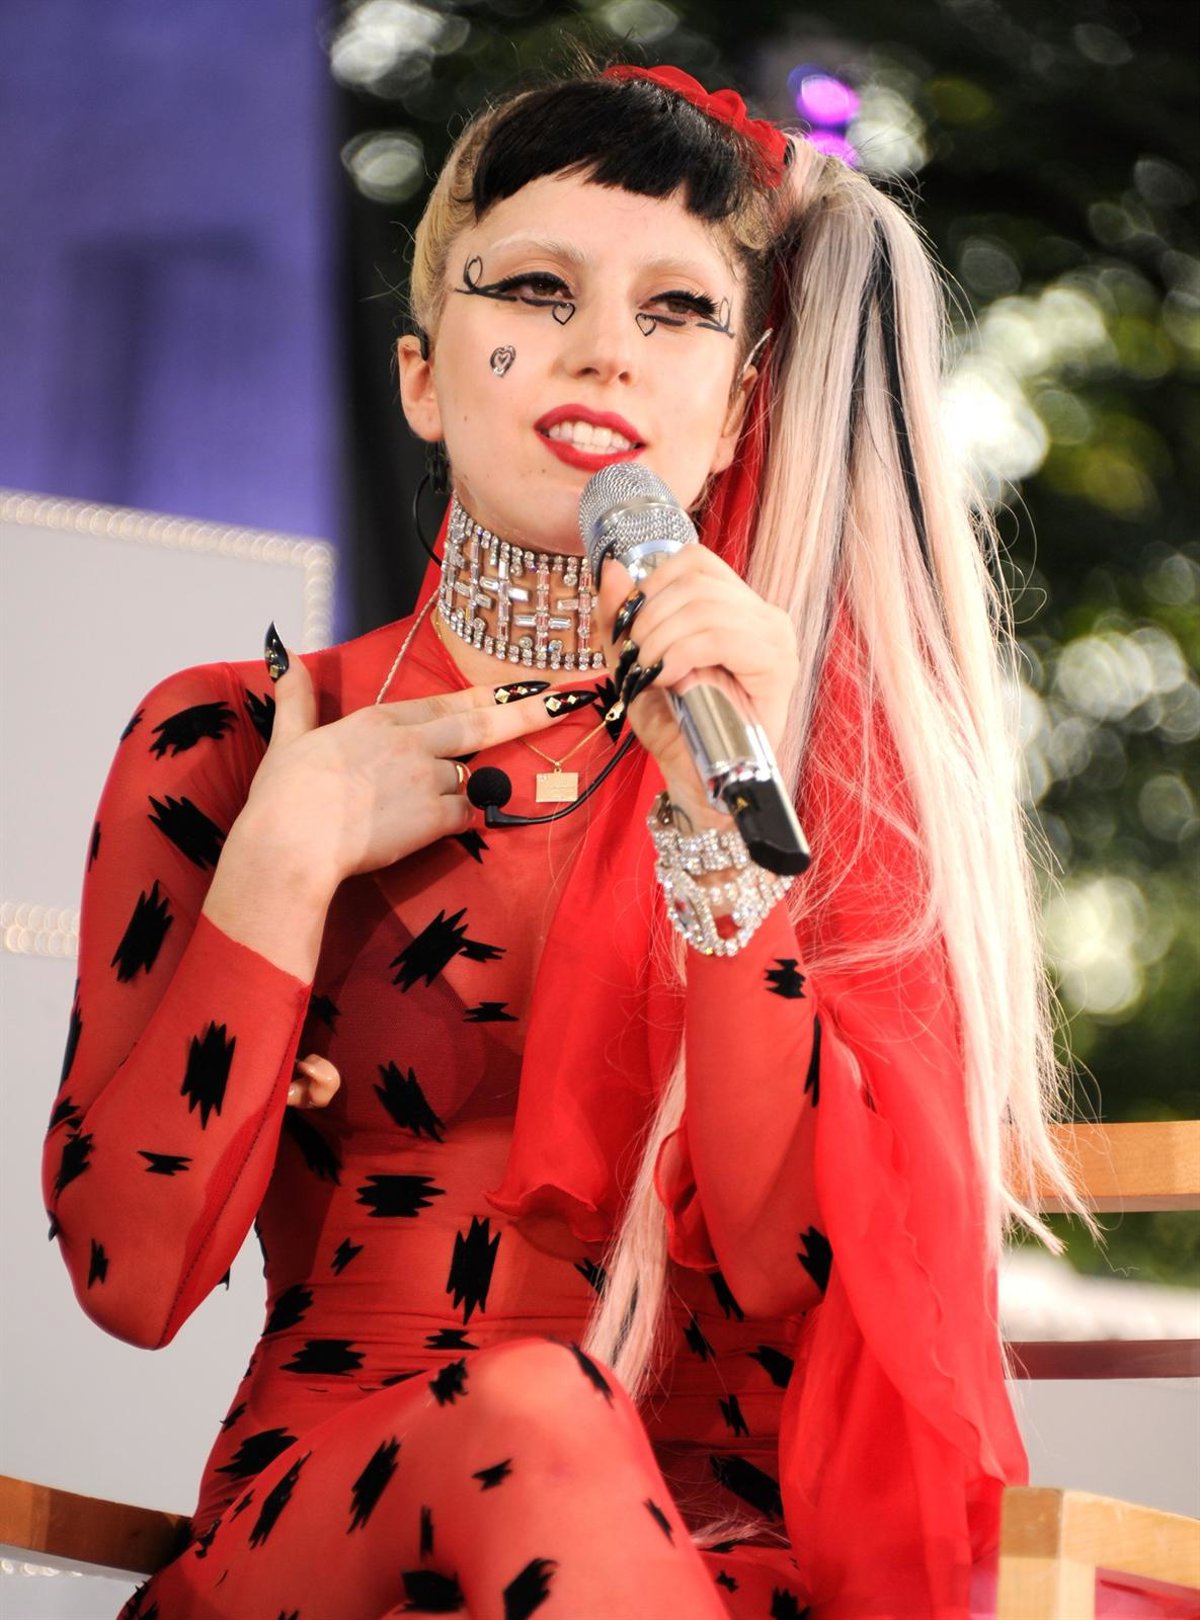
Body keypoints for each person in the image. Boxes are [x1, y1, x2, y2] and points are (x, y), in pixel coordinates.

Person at [42, 62, 1089, 1620]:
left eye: (679, 310)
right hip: (335, 1546)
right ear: (421, 377)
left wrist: (722, 837)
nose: (606, 344)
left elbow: (785, 1263)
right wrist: (285, 858)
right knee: (532, 1411)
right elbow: (130, 1278)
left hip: (714, 1562)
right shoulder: (235, 741)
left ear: (739, 412)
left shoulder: (799, 778)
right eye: (537, 288)